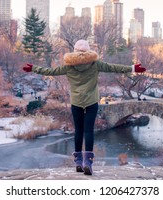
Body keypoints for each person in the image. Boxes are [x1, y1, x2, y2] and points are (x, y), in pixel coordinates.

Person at [22, 39, 146, 175]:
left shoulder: (68, 67)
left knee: (78, 131)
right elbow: (113, 67)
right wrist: (132, 68)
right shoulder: (95, 64)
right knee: (88, 131)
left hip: (76, 102)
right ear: (88, 51)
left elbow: (51, 71)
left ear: (75, 51)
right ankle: (88, 163)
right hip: (91, 101)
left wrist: (34, 68)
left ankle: (78, 163)